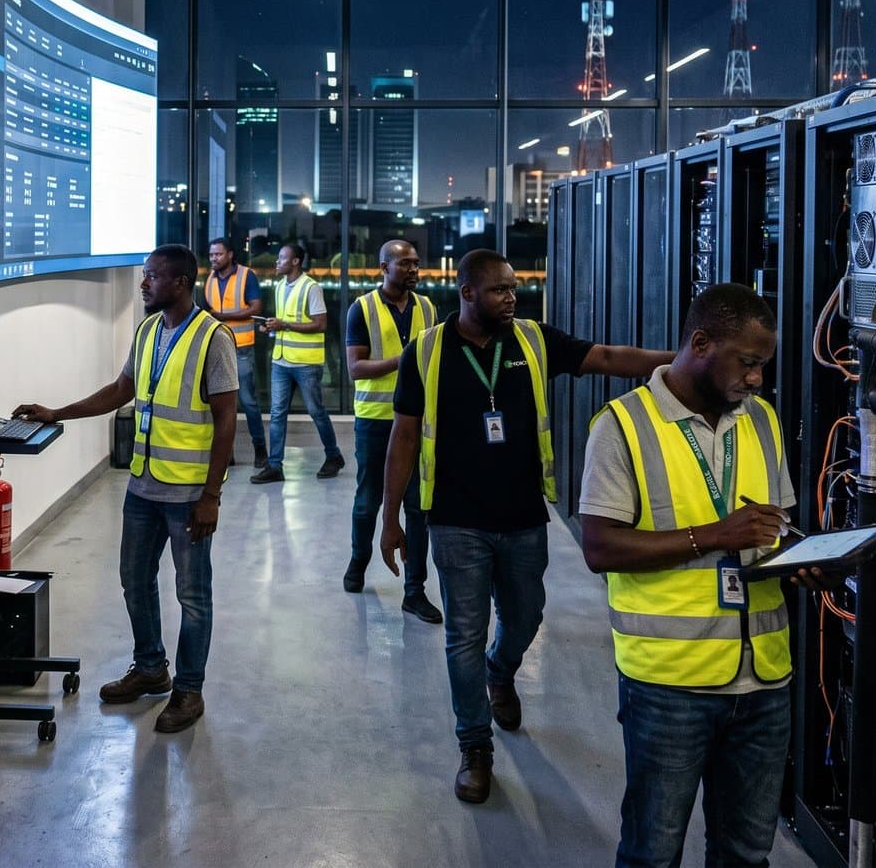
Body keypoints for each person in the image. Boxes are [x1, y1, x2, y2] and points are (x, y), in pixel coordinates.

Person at [378, 248, 672, 804]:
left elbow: (605, 356)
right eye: (499, 291)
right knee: (463, 632)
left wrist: (679, 365)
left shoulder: (532, 341)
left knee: (525, 615)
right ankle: (475, 746)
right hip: (454, 518)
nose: (511, 298)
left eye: (514, 288)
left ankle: (502, 668)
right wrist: (391, 518)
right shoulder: (428, 351)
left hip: (522, 516)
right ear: (466, 293)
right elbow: (405, 436)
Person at [577, 283, 825, 868]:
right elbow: (598, 547)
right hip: (670, 682)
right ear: (701, 343)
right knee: (652, 852)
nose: (757, 379)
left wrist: (802, 554)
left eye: (763, 365)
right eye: (748, 362)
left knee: (745, 852)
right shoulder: (623, 426)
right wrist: (713, 534)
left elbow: (772, 524)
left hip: (764, 678)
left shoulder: (760, 421)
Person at [13, 244, 237, 733]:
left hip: (188, 497)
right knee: (134, 582)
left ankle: (189, 690)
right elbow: (122, 390)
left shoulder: (212, 338)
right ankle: (152, 668)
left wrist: (211, 496)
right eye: (144, 276)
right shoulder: (148, 330)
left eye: (151, 277)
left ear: (180, 283)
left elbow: (225, 420)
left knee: (192, 595)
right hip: (144, 486)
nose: (143, 284)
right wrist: (58, 412)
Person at [342, 239, 442, 623]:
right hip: (375, 419)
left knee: (419, 505)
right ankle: (358, 563)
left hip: (417, 420)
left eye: (417, 263)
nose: (415, 270)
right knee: (369, 500)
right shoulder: (362, 308)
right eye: (405, 264)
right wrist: (403, 359)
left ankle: (414, 591)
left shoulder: (429, 307)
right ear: (384, 268)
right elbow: (355, 368)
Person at [252, 240, 344, 484]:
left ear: (295, 261)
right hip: (281, 360)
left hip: (305, 362)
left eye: (282, 257)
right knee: (277, 414)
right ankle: (274, 465)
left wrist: (285, 325)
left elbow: (320, 324)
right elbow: (285, 321)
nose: (277, 261)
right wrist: (271, 327)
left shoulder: (311, 287)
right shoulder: (280, 286)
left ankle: (334, 456)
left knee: (316, 411)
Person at [202, 237, 268, 465]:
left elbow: (255, 307)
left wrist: (224, 316)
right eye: (211, 255)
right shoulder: (209, 278)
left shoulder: (246, 275)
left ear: (230, 254)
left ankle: (260, 450)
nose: (213, 258)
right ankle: (226, 454)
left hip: (241, 346)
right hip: (217, 347)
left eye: (218, 254)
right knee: (219, 403)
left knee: (248, 401)